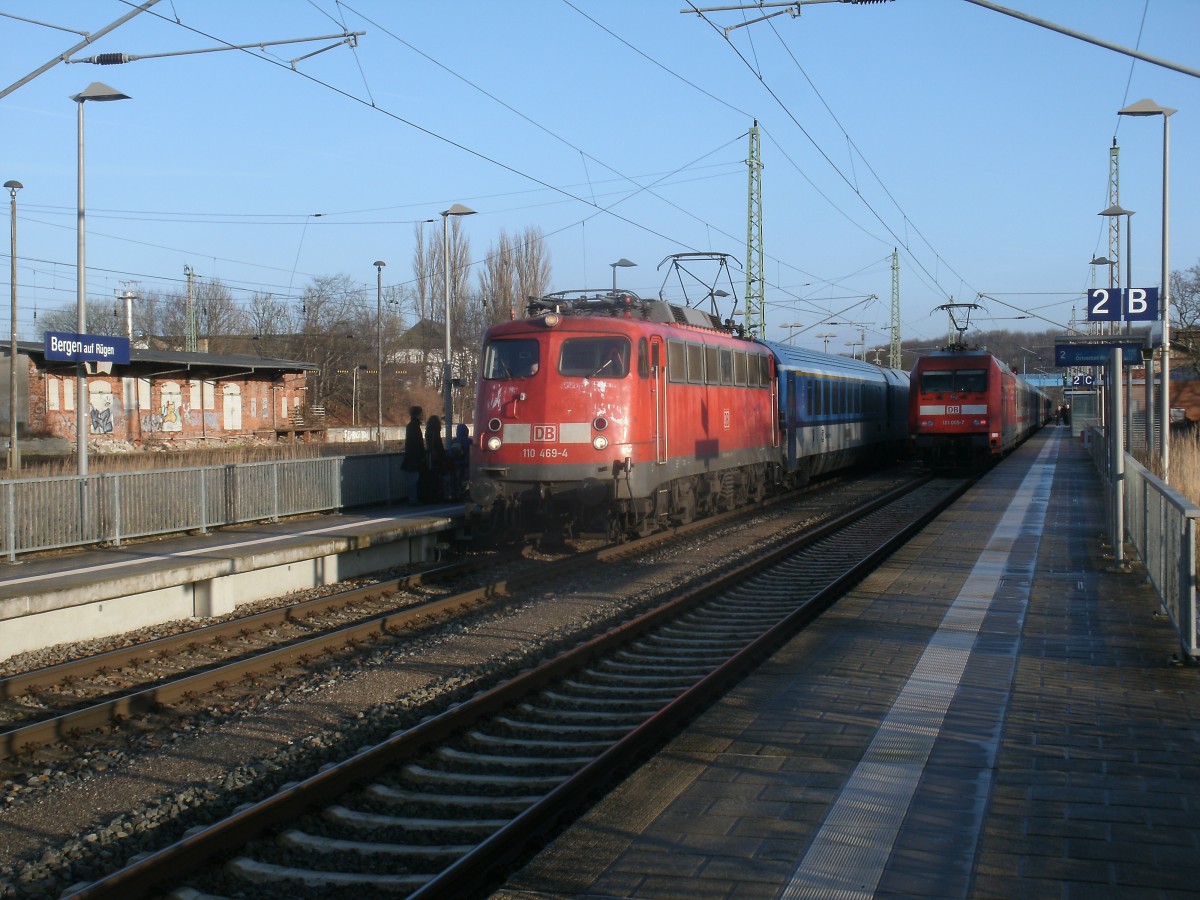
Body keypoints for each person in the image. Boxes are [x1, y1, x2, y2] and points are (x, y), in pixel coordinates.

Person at [400, 406, 426, 504]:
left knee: (412, 479)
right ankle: (413, 498)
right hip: (415, 459)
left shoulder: (411, 426)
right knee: (413, 480)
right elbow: (418, 444)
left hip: (411, 458)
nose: (422, 415)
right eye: (421, 414)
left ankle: (413, 498)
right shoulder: (415, 427)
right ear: (418, 415)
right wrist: (422, 456)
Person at [423, 415, 448, 503]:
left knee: (432, 476)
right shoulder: (435, 432)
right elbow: (439, 445)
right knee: (438, 476)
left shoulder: (428, 432)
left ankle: (431, 496)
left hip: (430, 456)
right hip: (437, 457)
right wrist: (444, 456)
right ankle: (437, 496)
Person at [448, 422, 471, 500]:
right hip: (466, 463)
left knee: (456, 480)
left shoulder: (454, 440)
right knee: (465, 480)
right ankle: (465, 495)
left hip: (456, 463)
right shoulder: (469, 441)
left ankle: (455, 495)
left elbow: (450, 452)